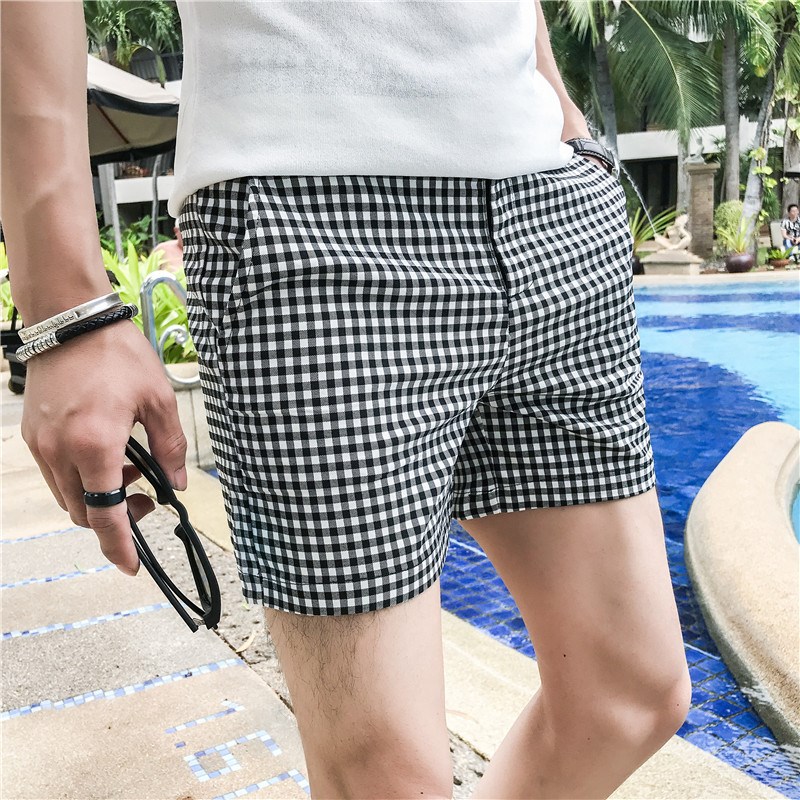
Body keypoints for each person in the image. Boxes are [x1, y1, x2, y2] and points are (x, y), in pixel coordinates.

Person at [2, 2, 691, 798]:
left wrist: (561, 108)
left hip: (551, 207)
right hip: (308, 212)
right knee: (385, 778)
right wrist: (63, 301)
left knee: (630, 695)